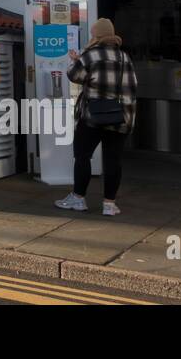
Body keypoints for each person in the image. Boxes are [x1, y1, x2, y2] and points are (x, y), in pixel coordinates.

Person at [55, 18, 137, 217]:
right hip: (121, 116)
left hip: (93, 115)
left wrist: (76, 60)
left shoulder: (91, 55)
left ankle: (79, 198)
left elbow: (74, 76)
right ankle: (109, 204)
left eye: (93, 35)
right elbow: (133, 84)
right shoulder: (125, 57)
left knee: (83, 156)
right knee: (113, 160)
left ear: (98, 36)